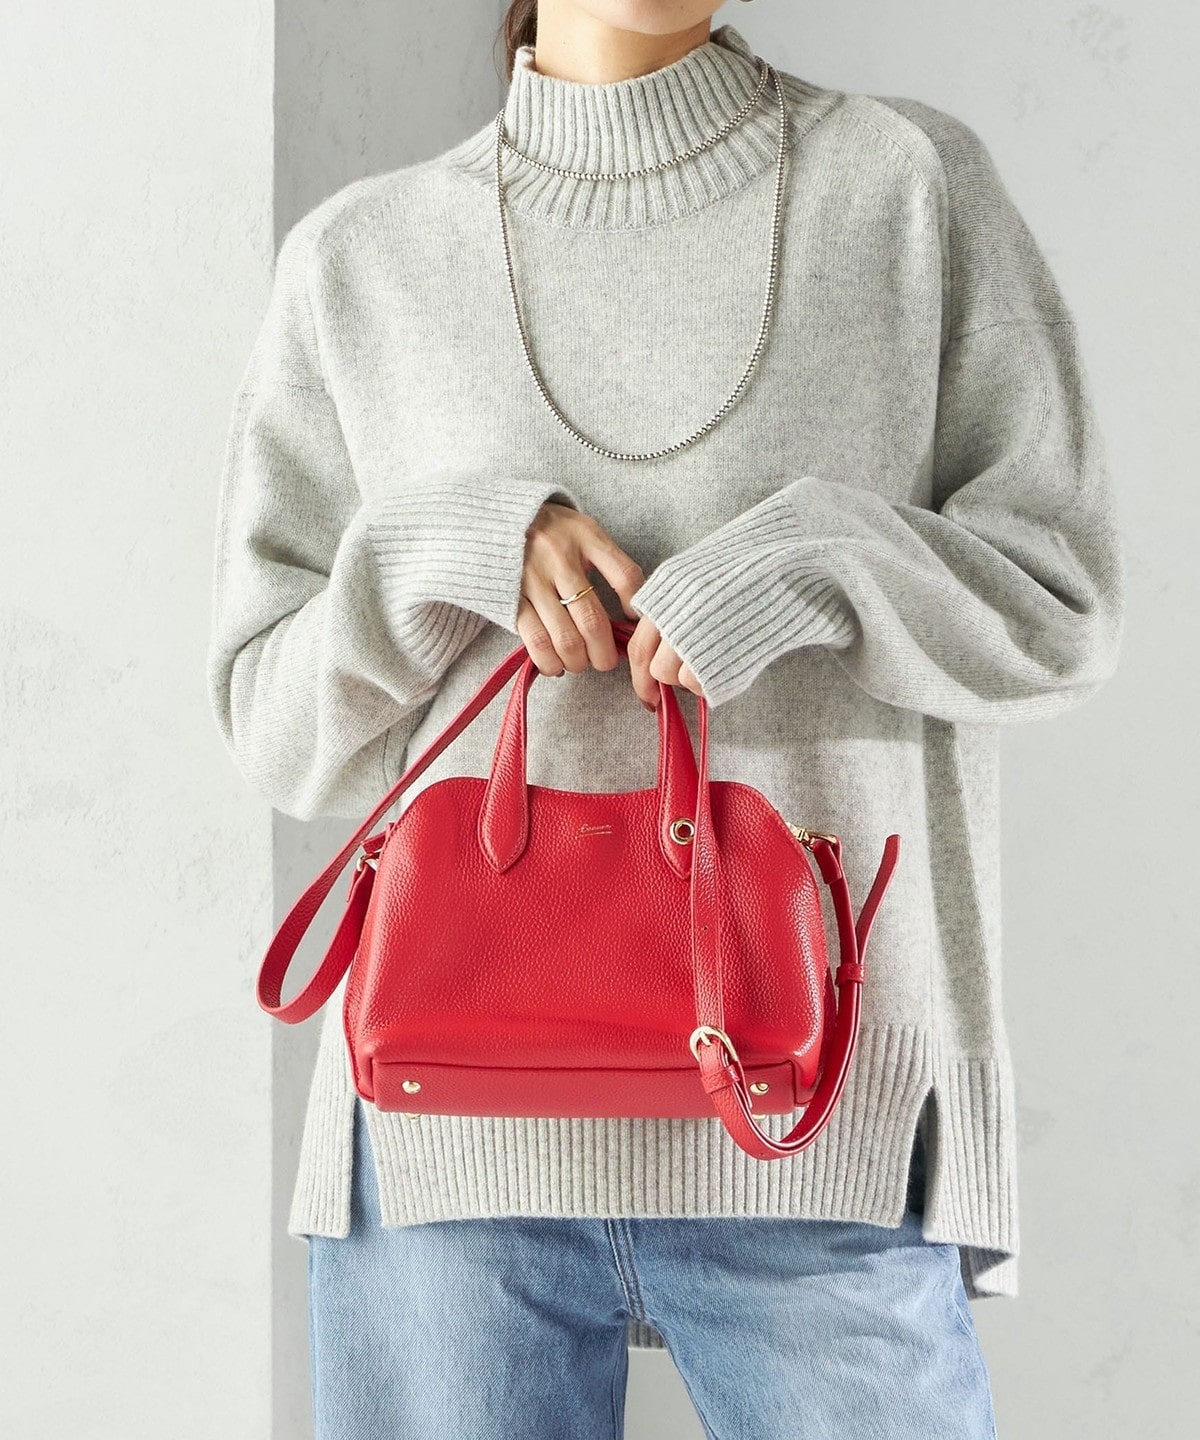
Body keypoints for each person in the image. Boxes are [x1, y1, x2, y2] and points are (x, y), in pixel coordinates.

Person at [205, 2, 1126, 1435]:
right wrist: (440, 557)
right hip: (451, 1151)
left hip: (812, 1125)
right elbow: (274, 730)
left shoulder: (906, 188)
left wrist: (818, 562)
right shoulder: (361, 260)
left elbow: (1060, 610)